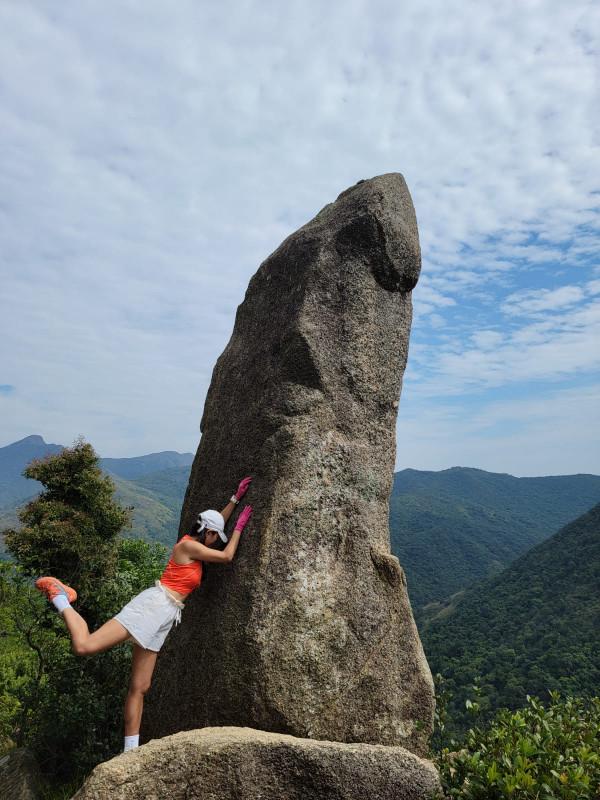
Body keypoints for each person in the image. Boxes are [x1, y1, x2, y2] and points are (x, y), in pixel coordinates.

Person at [34, 476, 253, 753]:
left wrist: (234, 499)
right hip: (152, 606)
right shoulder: (187, 547)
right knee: (84, 645)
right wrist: (239, 528)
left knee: (140, 686)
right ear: (206, 533)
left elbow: (214, 524)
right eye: (214, 537)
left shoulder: (197, 542)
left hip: (166, 615)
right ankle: (61, 597)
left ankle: (130, 752)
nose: (214, 542)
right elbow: (227, 557)